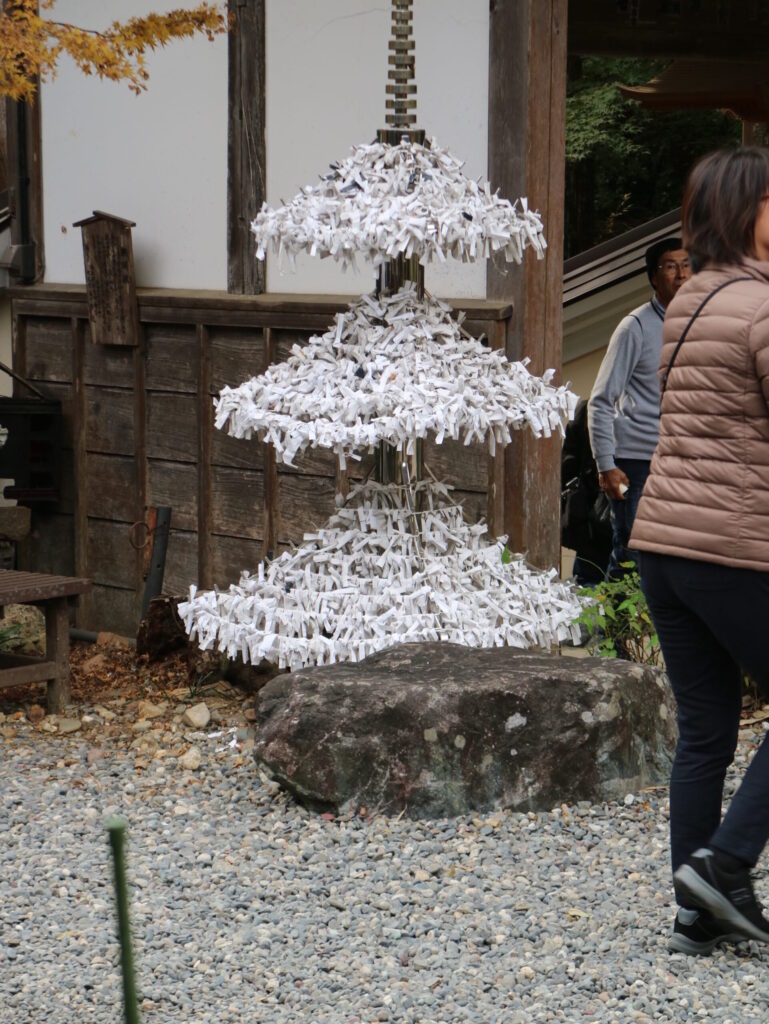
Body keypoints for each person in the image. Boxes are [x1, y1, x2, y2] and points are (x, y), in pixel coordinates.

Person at [631, 146, 769, 956]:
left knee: (707, 730)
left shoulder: (689, 299)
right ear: (748, 211)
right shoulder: (760, 306)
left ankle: (695, 913)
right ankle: (724, 865)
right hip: (730, 546)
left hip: (664, 542)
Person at [588, 238, 691, 580]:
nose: (681, 274)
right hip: (635, 464)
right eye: (671, 267)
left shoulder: (699, 323)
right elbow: (601, 399)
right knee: (632, 554)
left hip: (683, 462)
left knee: (679, 555)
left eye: (687, 265)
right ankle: (614, 618)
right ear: (653, 277)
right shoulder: (635, 327)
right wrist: (606, 465)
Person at [560, 398, 612, 586]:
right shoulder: (634, 410)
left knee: (587, 580)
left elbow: (567, 466)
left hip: (587, 514)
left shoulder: (586, 409)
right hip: (612, 511)